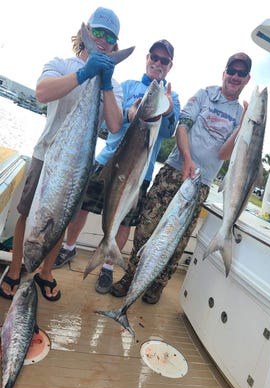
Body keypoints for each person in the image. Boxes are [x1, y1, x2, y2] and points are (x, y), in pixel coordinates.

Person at [0, 7, 123, 301]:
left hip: (79, 164)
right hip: (47, 155)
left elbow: (116, 125)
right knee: (27, 213)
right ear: (86, 34)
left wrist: (104, 83)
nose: (103, 40)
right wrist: (85, 74)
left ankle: (46, 272)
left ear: (115, 44)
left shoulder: (113, 84)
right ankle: (16, 269)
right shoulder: (62, 63)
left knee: (63, 217)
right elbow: (42, 93)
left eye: (110, 37)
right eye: (98, 32)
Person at [111, 52, 252, 304]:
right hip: (174, 170)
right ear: (224, 72)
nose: (235, 76)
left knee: (177, 239)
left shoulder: (241, 114)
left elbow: (224, 153)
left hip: (201, 183)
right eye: (232, 70)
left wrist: (242, 129)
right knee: (146, 226)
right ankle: (131, 275)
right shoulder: (203, 95)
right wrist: (187, 159)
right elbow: (183, 125)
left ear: (247, 79)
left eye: (241, 73)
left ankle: (157, 284)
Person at [54, 39, 180, 294]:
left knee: (124, 223)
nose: (157, 63)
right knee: (83, 207)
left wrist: (166, 111)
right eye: (154, 57)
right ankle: (69, 247)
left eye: (163, 60)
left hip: (139, 171)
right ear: (147, 58)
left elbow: (167, 132)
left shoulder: (171, 97)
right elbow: (112, 117)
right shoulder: (128, 86)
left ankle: (108, 266)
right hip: (107, 161)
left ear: (170, 66)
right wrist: (128, 114)